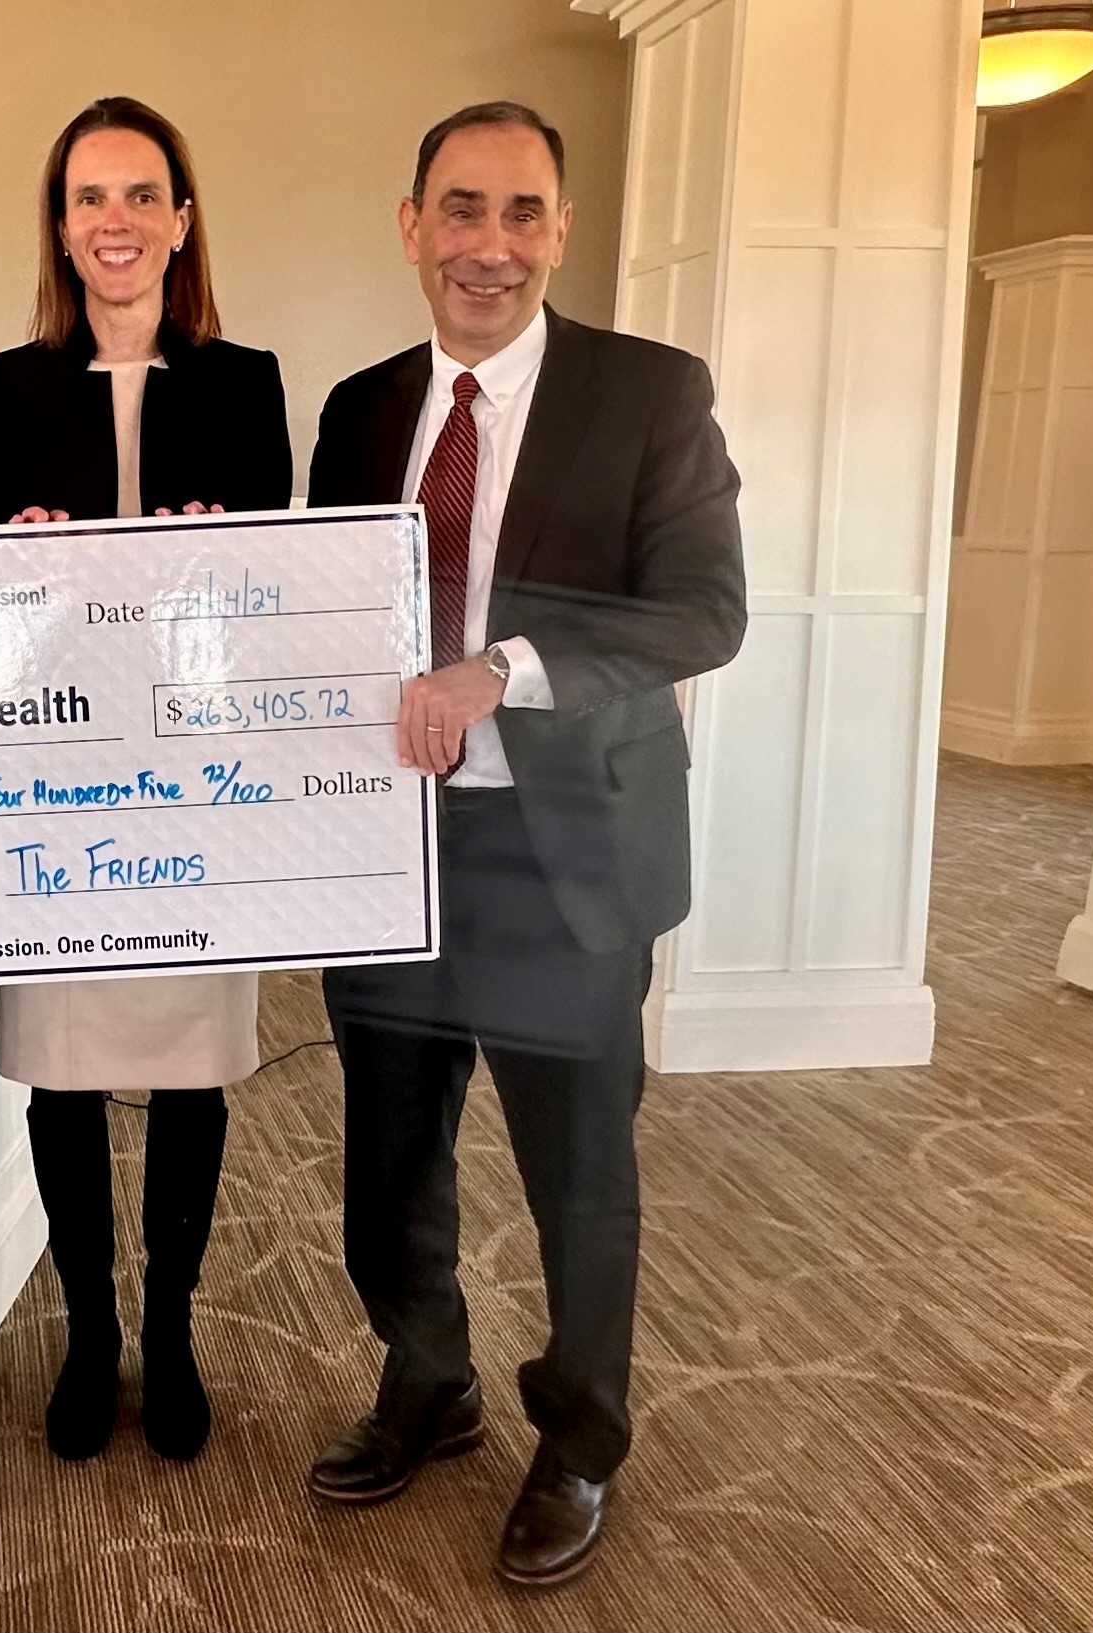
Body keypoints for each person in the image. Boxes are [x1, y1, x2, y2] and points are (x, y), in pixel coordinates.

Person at [303, 102, 746, 1585]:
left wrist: (502, 666)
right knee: (386, 1160)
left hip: (566, 855)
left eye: (521, 213)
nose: (488, 244)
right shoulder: (359, 406)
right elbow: (315, 606)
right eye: (460, 208)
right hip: (392, 853)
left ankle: (579, 1436)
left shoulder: (650, 394)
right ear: (412, 222)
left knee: (578, 1180)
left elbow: (703, 611)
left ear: (559, 232)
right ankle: (425, 1380)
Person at [0, 96, 291, 1464]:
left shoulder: (248, 380)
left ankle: (172, 1331)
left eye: (140, 193)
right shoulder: (2, 386)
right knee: (60, 1079)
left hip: (196, 791)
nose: (115, 220)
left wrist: (226, 563)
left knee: (195, 1076)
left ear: (181, 218)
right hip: (59, 792)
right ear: (60, 224)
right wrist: (21, 566)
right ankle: (90, 1333)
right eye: (88, 196)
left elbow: (280, 597)